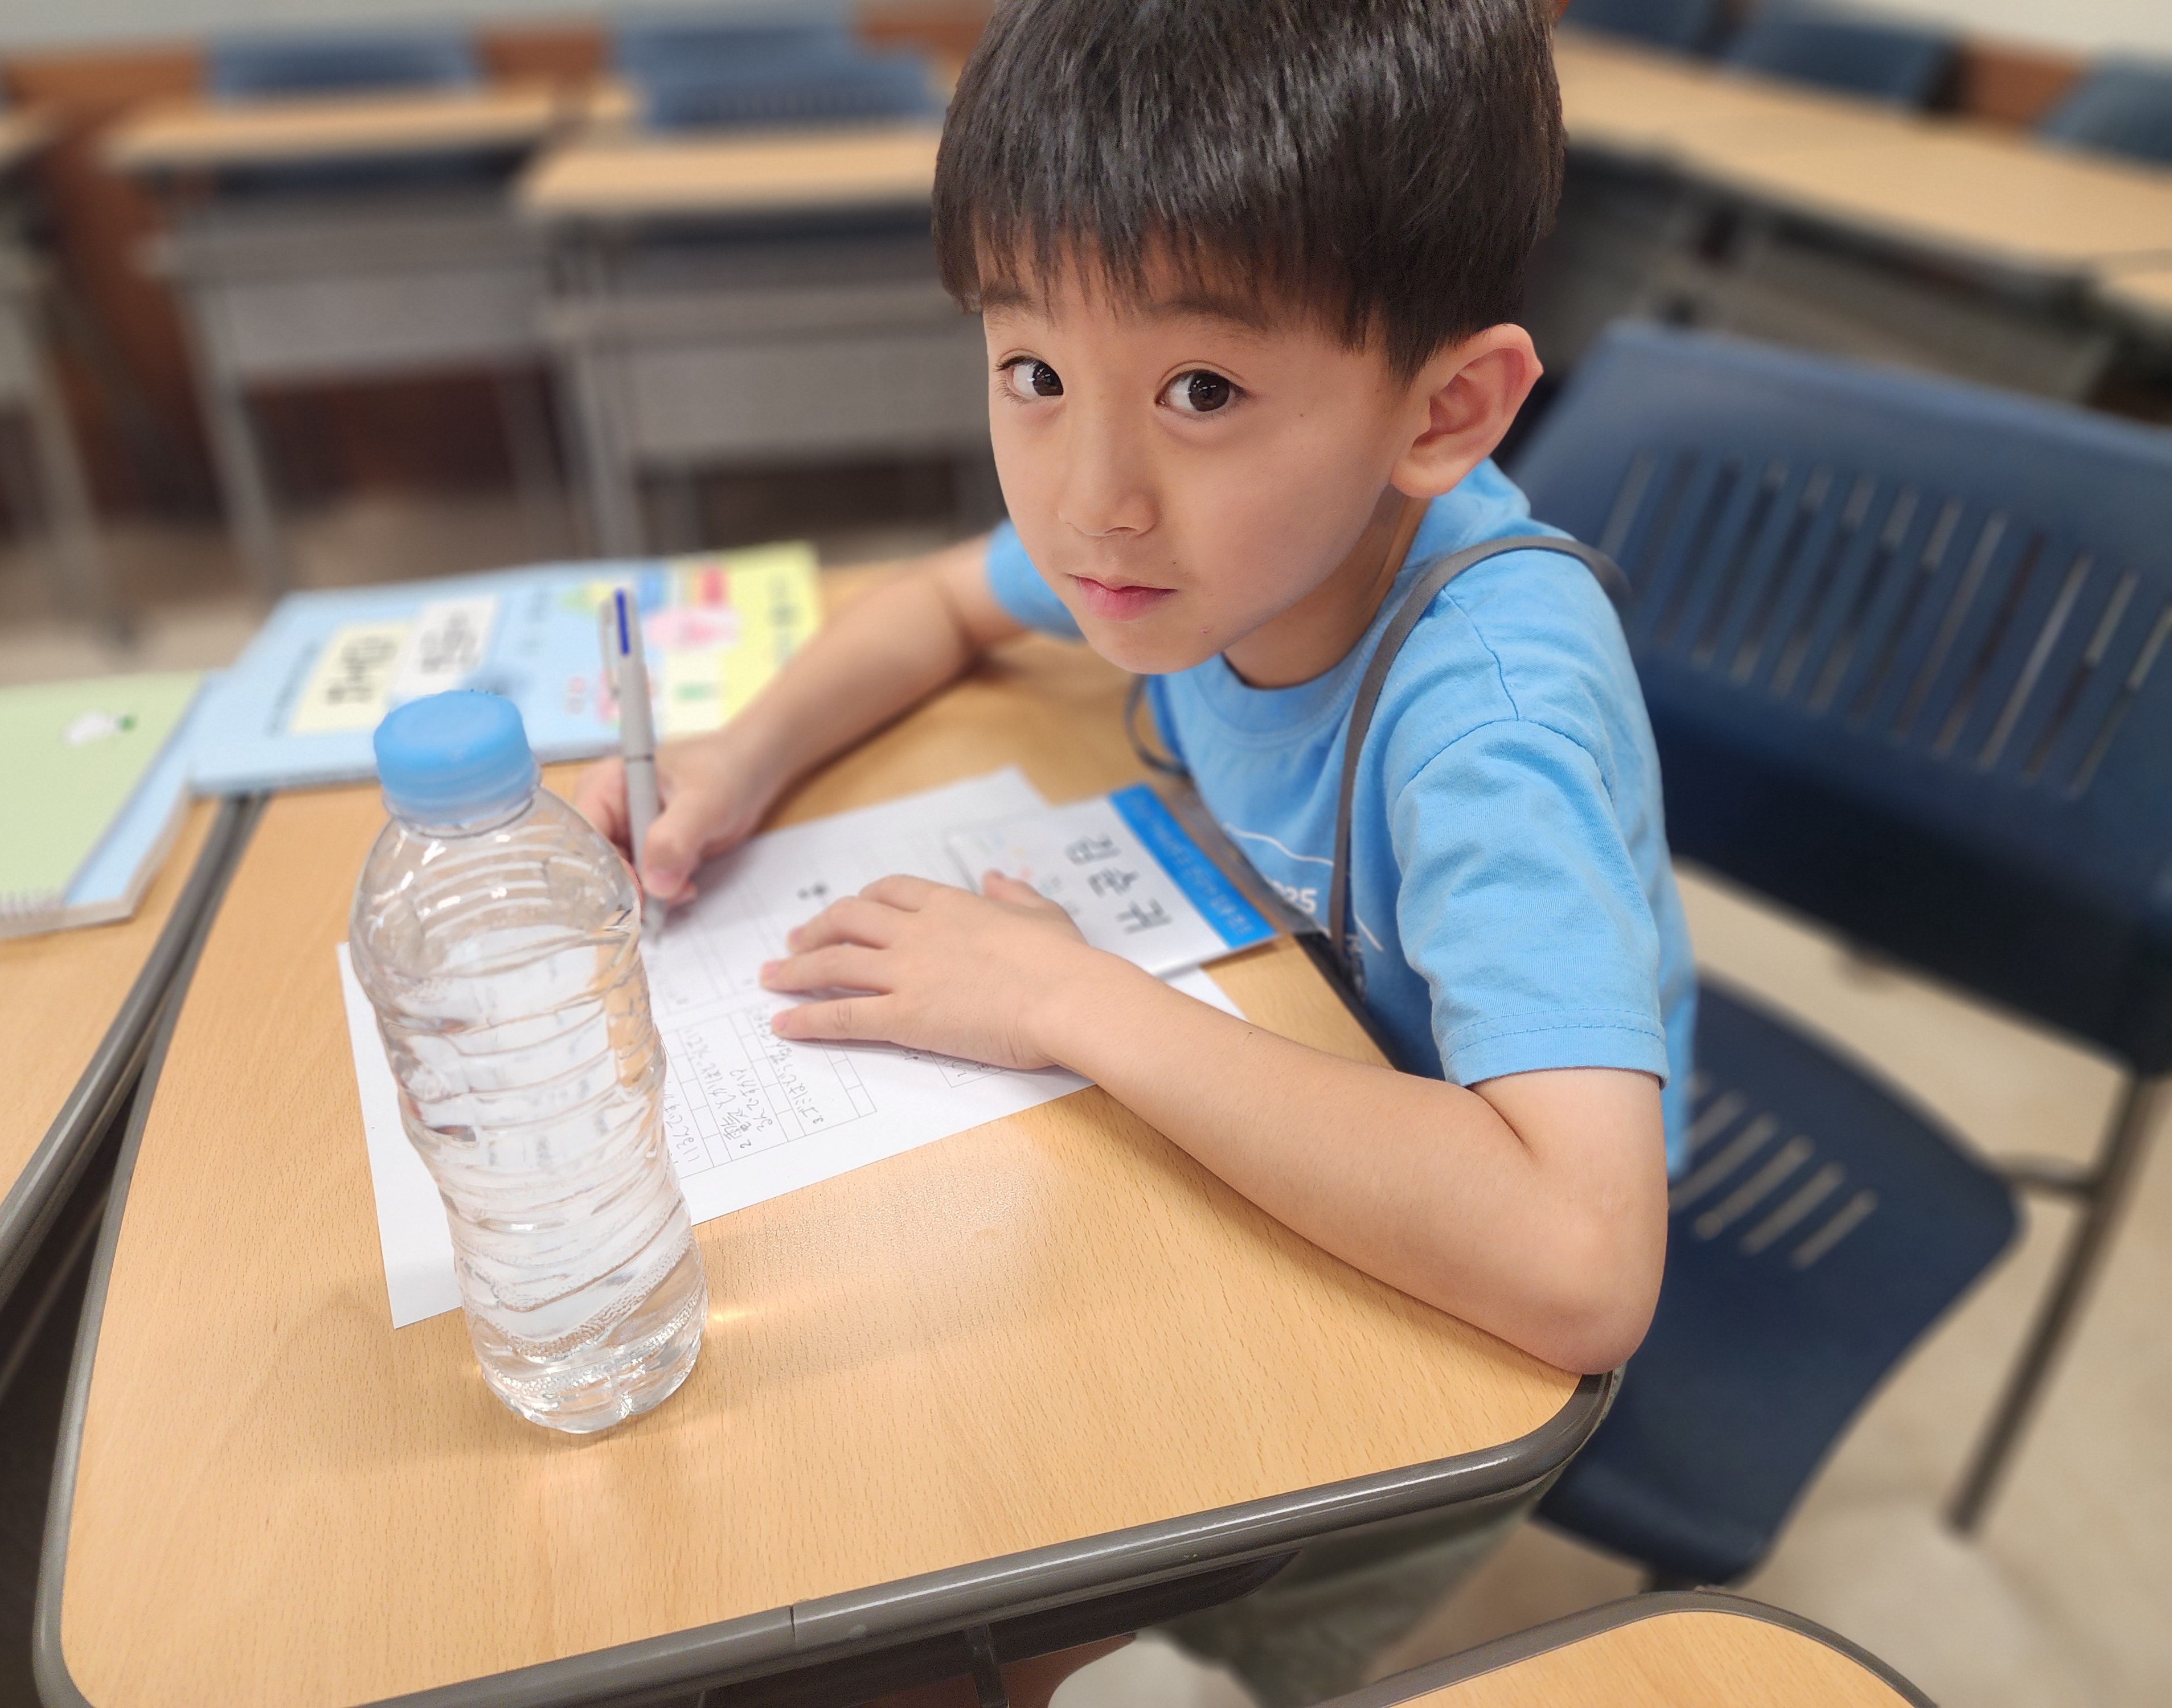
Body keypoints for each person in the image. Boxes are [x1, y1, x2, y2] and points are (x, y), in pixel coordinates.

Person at [579, 1, 1695, 1699]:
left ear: (1445, 411)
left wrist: (1063, 998)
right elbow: (947, 600)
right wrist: (738, 763)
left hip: (1446, 1302)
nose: (1091, 495)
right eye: (1033, 372)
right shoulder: (1221, 543)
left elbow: (1581, 1263)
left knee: (984, 1634)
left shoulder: (1489, 712)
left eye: (1201, 389)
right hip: (1272, 1061)